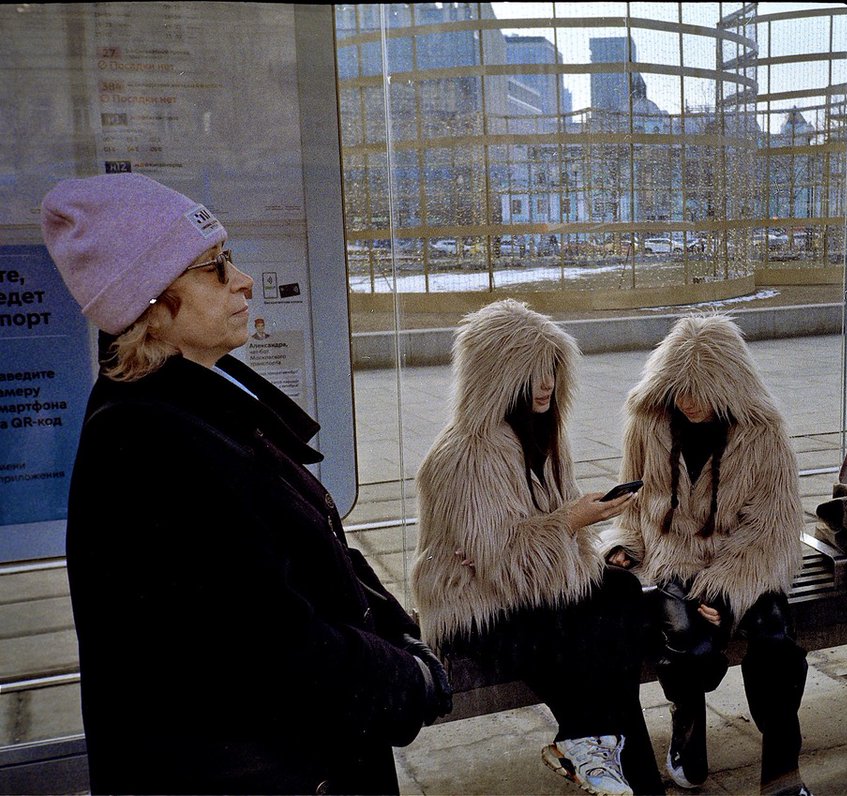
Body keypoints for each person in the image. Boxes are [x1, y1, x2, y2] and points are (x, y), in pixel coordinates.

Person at [40, 173, 451, 794]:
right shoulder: (149, 443)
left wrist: (395, 629)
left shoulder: (188, 406)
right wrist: (406, 681)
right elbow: (270, 645)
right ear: (149, 302)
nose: (243, 280)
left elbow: (307, 555)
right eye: (213, 267)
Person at [411, 299, 659, 796]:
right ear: (499, 377)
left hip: (530, 587)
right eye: (530, 371)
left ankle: (593, 744)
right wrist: (572, 518)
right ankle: (607, 753)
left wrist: (580, 522)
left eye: (551, 368)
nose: (545, 383)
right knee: (579, 631)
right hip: (474, 601)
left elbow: (540, 548)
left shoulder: (541, 437)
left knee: (621, 595)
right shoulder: (467, 452)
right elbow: (502, 563)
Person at [604, 315, 809, 795]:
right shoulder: (648, 424)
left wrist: (728, 588)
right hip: (672, 557)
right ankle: (688, 733)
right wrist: (623, 548)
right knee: (687, 640)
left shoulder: (763, 434)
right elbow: (633, 504)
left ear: (728, 384)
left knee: (777, 640)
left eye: (700, 389)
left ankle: (783, 773)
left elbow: (773, 529)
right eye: (678, 387)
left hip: (744, 562)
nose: (687, 401)